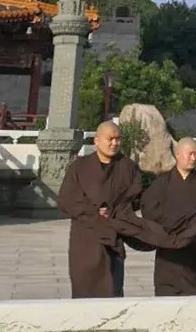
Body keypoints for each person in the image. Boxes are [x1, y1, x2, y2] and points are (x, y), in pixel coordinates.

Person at [57, 120, 143, 298]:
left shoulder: (128, 167)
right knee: (84, 290)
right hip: (86, 237)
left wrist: (113, 210)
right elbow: (67, 199)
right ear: (96, 141)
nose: (114, 143)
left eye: (118, 139)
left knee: (113, 291)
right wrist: (93, 212)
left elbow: (136, 196)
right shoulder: (79, 167)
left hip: (113, 236)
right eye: (110, 139)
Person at [140, 137, 196, 295]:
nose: (194, 158)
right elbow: (149, 211)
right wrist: (173, 230)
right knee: (168, 297)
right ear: (177, 154)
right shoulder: (161, 183)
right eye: (190, 154)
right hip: (169, 254)